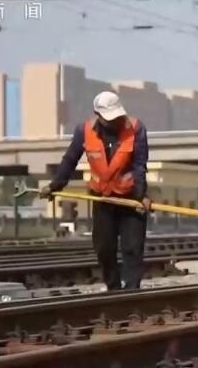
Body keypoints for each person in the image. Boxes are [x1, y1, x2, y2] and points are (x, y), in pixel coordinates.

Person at [43, 91, 150, 291]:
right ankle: (113, 288)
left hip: (130, 198)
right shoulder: (84, 131)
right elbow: (70, 159)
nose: (115, 122)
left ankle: (132, 291)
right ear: (98, 115)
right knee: (104, 248)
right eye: (110, 118)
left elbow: (139, 165)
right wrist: (55, 185)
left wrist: (141, 195)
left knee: (133, 248)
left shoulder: (136, 128)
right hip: (102, 199)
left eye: (117, 117)